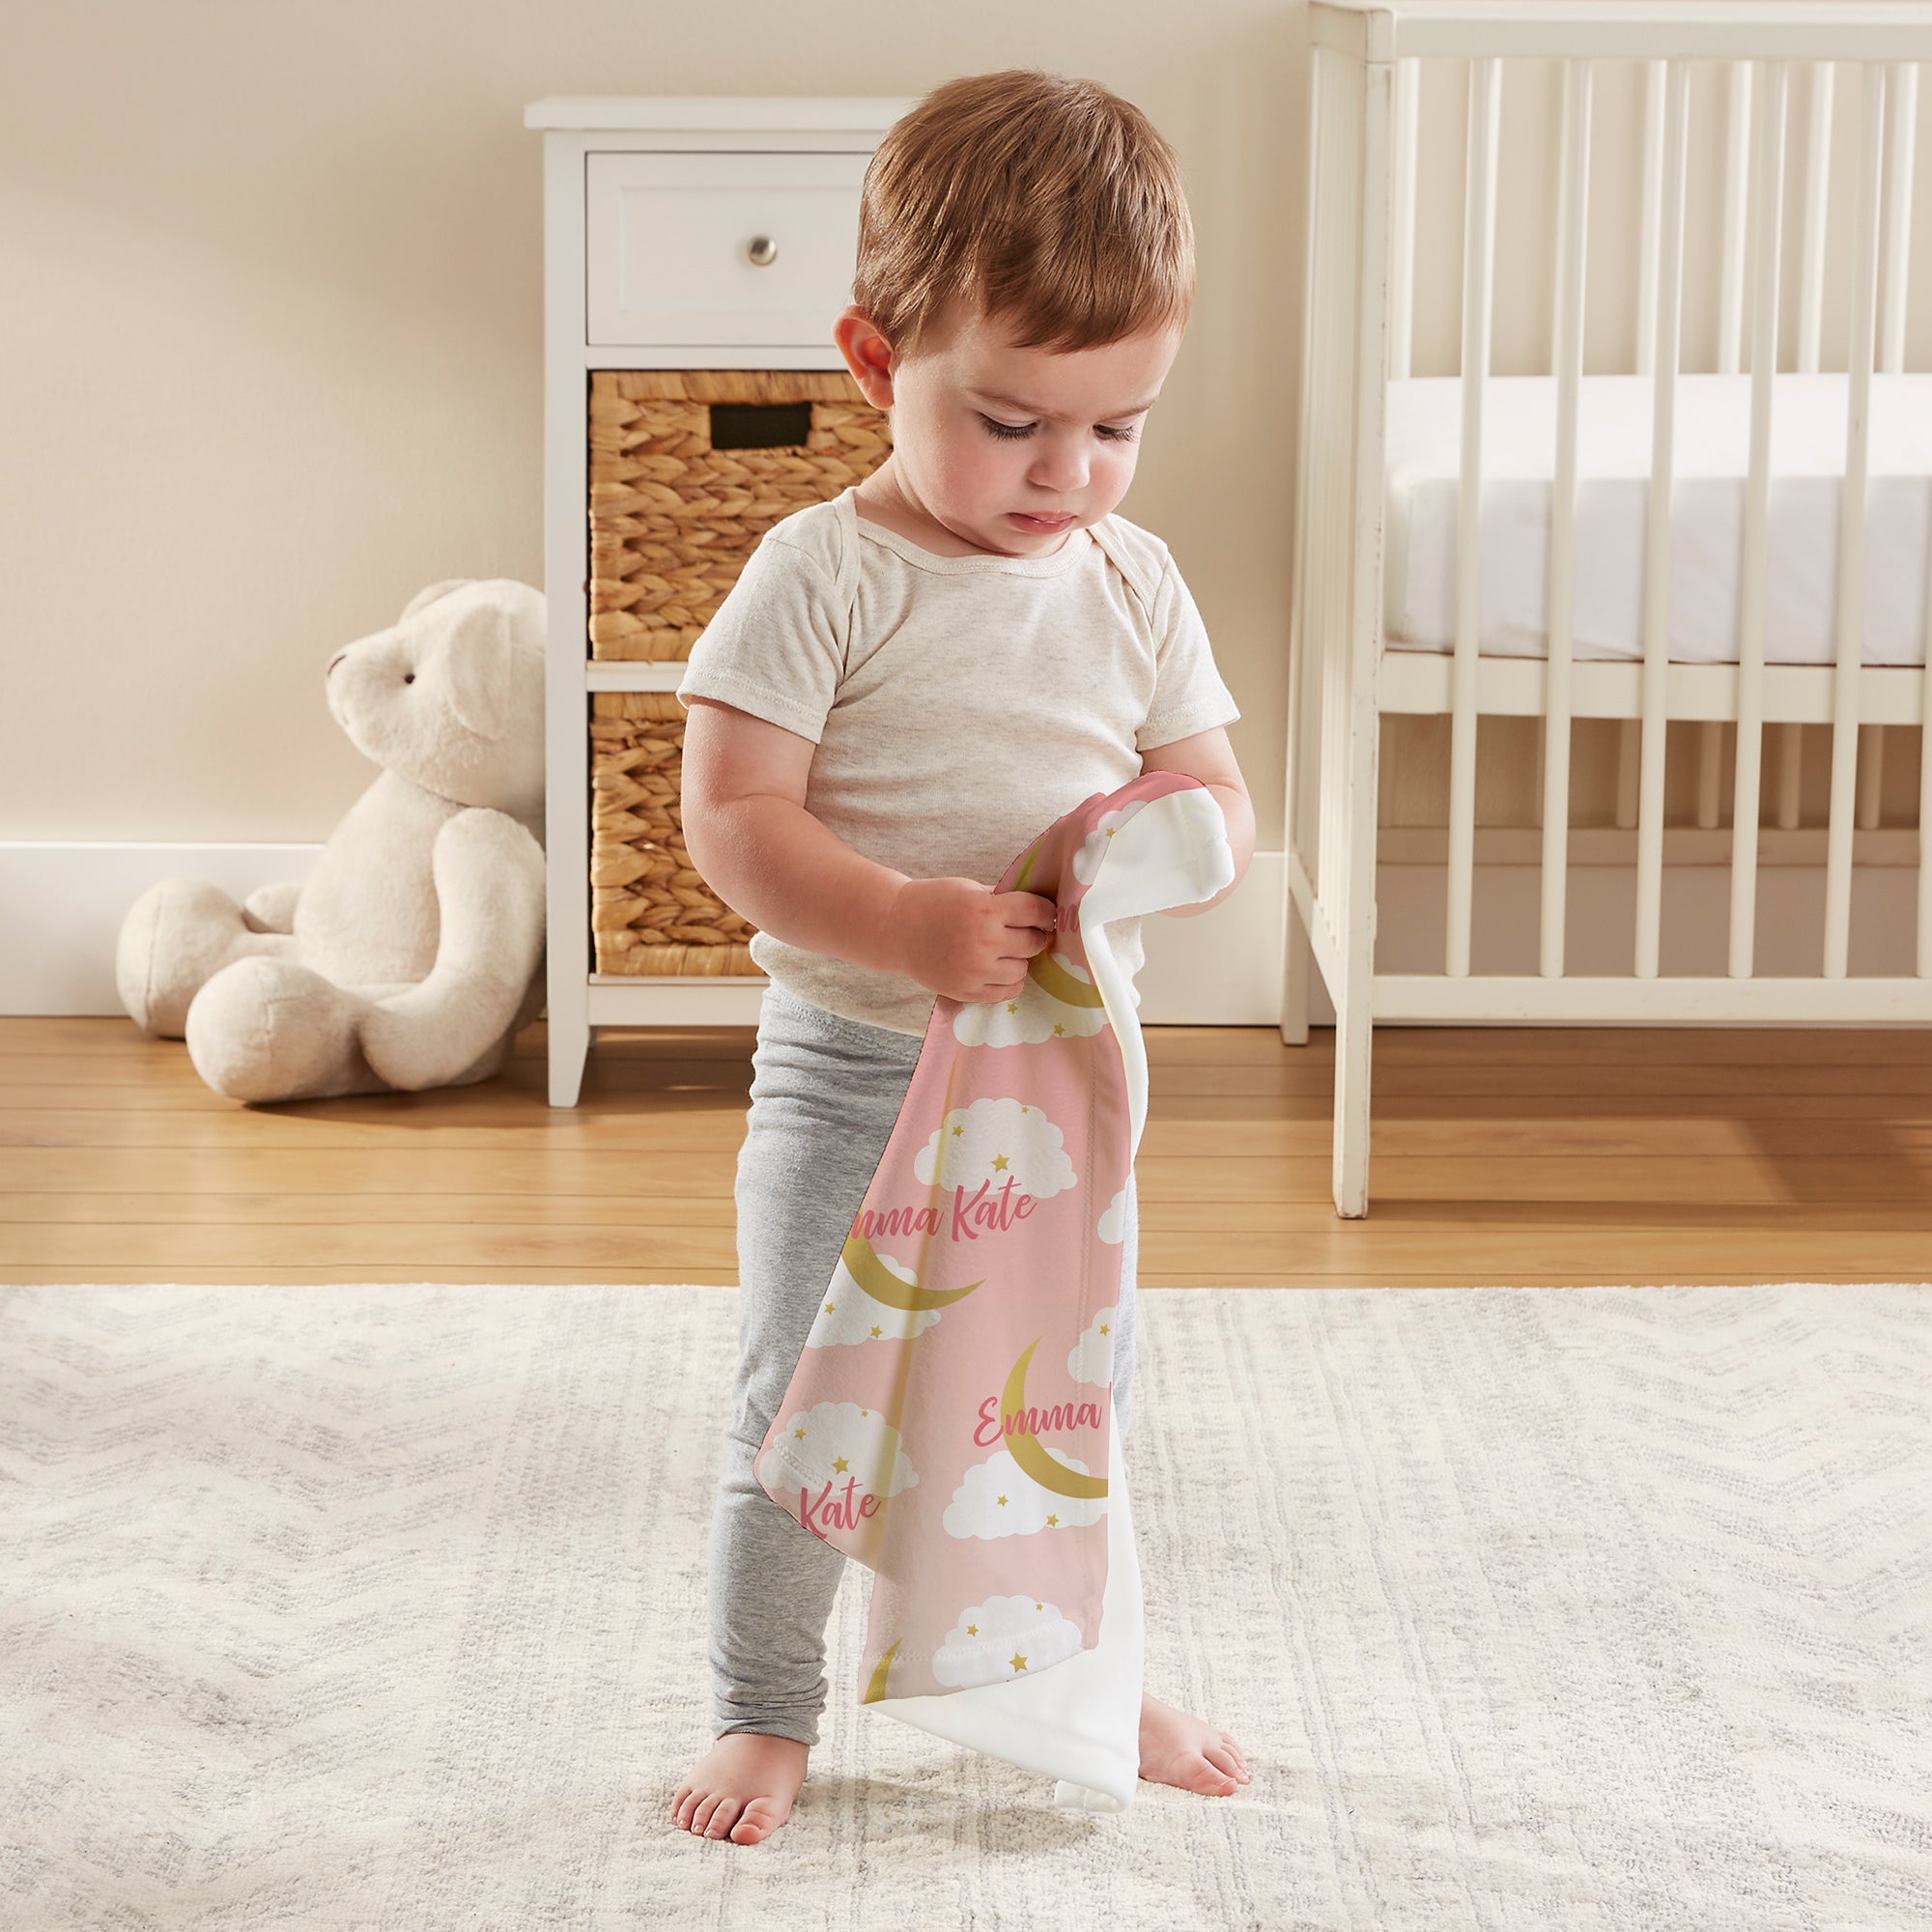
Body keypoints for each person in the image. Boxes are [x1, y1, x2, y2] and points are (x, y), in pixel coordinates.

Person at [668, 67, 1257, 1846]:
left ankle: (1087, 1665)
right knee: (802, 1402)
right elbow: (734, 819)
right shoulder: (820, 574)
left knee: (1064, 1401)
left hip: (1056, 1089)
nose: (1067, 474)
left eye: (1117, 428)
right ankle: (763, 1705)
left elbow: (1215, 799)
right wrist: (905, 923)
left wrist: (1153, 850)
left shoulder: (1133, 582)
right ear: (876, 363)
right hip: (858, 1068)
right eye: (1011, 423)